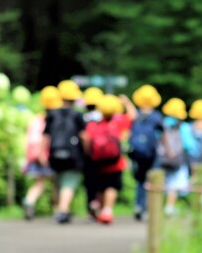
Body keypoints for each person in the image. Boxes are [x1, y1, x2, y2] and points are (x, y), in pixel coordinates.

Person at [83, 94, 135, 225]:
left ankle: (99, 209)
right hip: (116, 162)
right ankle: (107, 210)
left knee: (100, 187)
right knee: (111, 186)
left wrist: (90, 155)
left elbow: (87, 143)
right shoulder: (119, 122)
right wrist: (127, 102)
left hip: (98, 163)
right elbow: (133, 116)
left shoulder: (93, 125)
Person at [44, 85, 86, 224]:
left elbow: (45, 137)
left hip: (54, 152)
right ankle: (63, 210)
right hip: (73, 154)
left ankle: (59, 209)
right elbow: (84, 136)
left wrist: (43, 154)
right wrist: (87, 151)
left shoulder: (52, 114)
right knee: (69, 182)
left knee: (58, 182)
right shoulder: (77, 115)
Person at [22, 86, 61, 221]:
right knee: (56, 184)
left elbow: (28, 139)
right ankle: (58, 210)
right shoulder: (53, 120)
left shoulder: (36, 119)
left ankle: (29, 201)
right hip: (47, 155)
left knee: (39, 183)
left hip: (34, 155)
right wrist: (42, 154)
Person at [158, 98, 199, 217]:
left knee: (164, 184)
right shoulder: (183, 126)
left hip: (163, 159)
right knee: (175, 185)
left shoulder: (162, 123)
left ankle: (163, 206)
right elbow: (190, 145)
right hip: (178, 160)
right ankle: (170, 207)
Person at [128, 84, 162, 221]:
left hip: (137, 153)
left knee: (140, 181)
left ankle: (139, 205)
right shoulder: (156, 116)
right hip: (152, 153)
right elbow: (162, 135)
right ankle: (149, 207)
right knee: (153, 180)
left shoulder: (136, 114)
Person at [81, 86, 105, 217]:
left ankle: (91, 208)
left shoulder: (83, 118)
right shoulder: (103, 116)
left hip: (88, 155)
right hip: (103, 155)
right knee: (101, 182)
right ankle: (100, 206)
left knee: (89, 183)